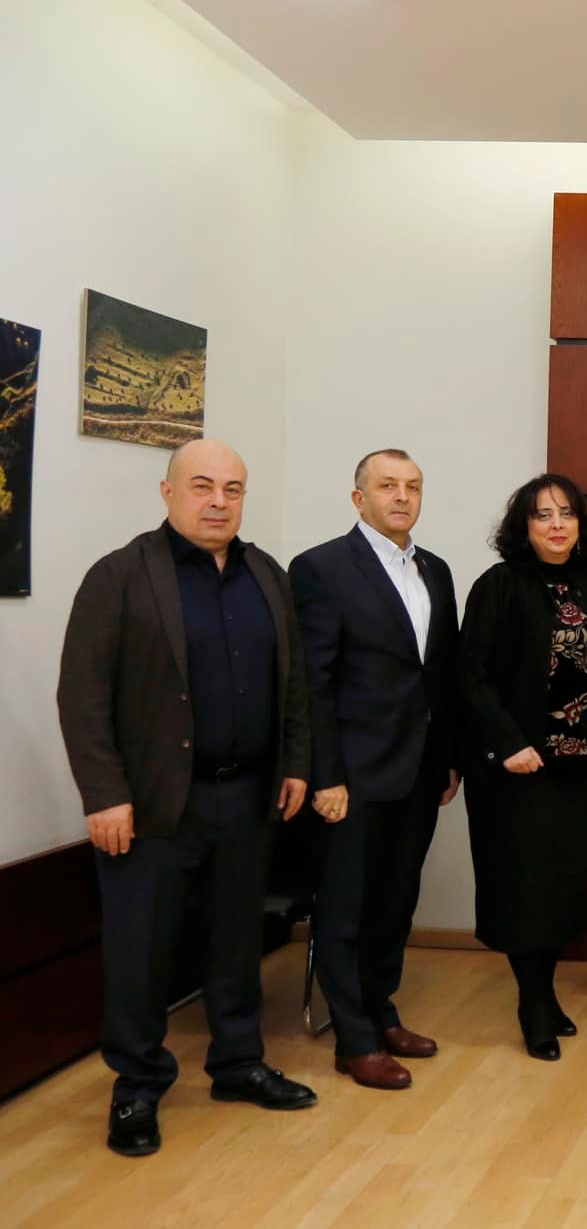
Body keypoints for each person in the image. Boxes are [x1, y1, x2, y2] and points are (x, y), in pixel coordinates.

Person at [56, 439, 316, 1158]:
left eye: (233, 489)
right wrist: (104, 794)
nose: (218, 502)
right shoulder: (120, 576)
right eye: (202, 486)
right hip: (151, 805)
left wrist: (295, 762)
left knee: (236, 943)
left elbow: (294, 682)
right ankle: (138, 1086)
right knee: (140, 951)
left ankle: (237, 1064)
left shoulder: (266, 575)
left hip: (248, 797)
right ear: (167, 492)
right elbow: (82, 695)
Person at [290, 449, 461, 1090]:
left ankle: (381, 1011)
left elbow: (438, 674)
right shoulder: (322, 568)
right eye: (387, 486)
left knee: (395, 902)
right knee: (345, 908)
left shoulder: (435, 570)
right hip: (352, 778)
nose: (402, 496)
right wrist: (325, 775)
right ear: (359, 498)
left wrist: (447, 759)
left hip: (419, 771)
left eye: (412, 486)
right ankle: (353, 1038)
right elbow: (312, 683)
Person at [460, 473, 587, 1061]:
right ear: (523, 527)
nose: (556, 525)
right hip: (517, 770)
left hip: (580, 769)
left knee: (561, 888)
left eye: (566, 514)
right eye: (542, 515)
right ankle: (532, 1004)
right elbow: (470, 675)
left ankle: (546, 994)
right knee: (523, 889)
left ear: (580, 525)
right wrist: (509, 743)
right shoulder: (499, 585)